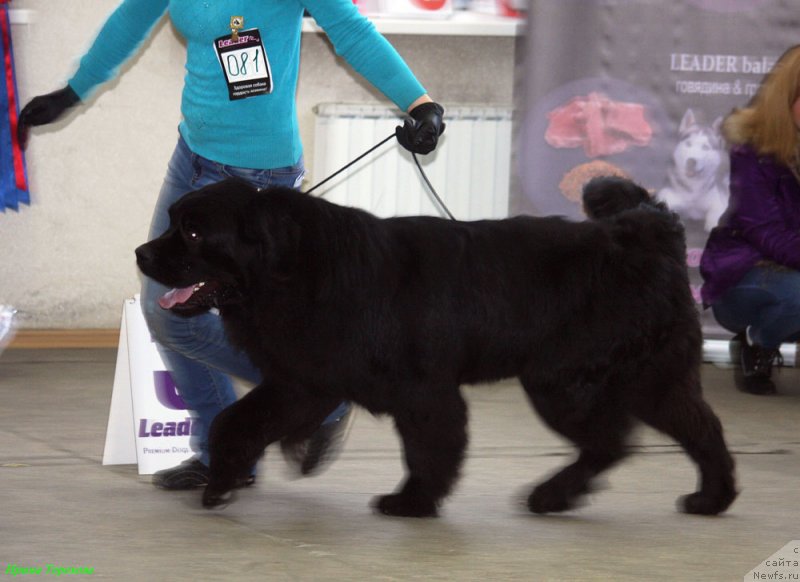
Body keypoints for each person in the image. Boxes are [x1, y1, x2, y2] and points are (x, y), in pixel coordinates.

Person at [18, 1, 444, 487]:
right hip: (193, 162)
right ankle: (227, 451)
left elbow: (351, 29)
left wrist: (419, 103)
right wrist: (72, 91)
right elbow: (132, 17)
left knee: (237, 321)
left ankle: (318, 389)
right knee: (168, 313)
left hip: (258, 179)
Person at [700, 44, 800, 396]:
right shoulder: (753, 148)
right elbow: (764, 230)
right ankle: (758, 342)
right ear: (786, 98)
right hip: (748, 273)